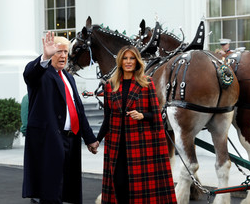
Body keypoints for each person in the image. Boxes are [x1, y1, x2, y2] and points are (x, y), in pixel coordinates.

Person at [22, 32, 99, 204]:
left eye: (65, 52)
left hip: (70, 139)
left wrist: (90, 138)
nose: (63, 56)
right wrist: (44, 57)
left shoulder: (69, 78)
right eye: (58, 52)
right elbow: (29, 74)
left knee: (67, 190)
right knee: (50, 189)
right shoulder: (42, 74)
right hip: (49, 139)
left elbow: (78, 110)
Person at [96, 45, 177, 203]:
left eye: (131, 58)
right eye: (125, 58)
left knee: (138, 190)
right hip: (116, 145)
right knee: (118, 184)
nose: (128, 61)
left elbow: (156, 115)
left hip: (140, 146)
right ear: (120, 61)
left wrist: (142, 115)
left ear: (137, 61)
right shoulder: (110, 85)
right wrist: (97, 140)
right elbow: (107, 118)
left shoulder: (146, 83)